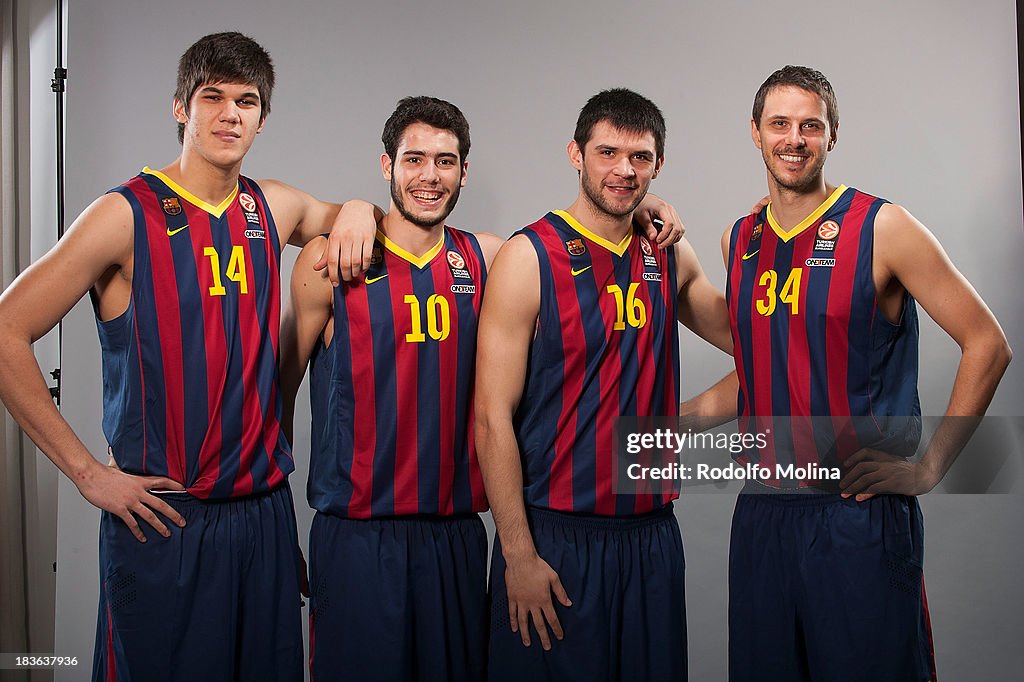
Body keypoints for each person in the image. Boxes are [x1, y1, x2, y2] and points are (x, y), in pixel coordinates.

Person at [0, 32, 379, 681]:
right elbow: (7, 329)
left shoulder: (273, 205)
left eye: (246, 101)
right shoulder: (123, 216)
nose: (230, 113)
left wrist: (362, 211)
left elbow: (341, 213)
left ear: (262, 118)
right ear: (181, 106)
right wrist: (89, 474)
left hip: (262, 515)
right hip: (166, 516)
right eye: (213, 97)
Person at [722, 65, 1012, 681]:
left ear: (833, 135)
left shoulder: (884, 227)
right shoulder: (739, 238)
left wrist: (929, 467)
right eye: (780, 124)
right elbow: (764, 358)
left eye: (811, 125)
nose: (794, 138)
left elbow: (987, 342)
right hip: (762, 514)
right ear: (755, 132)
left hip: (856, 515)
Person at [475, 88, 732, 682]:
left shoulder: (667, 252)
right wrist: (517, 555)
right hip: (554, 535)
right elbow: (491, 417)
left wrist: (679, 421)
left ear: (658, 165)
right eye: (607, 152)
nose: (623, 169)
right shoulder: (528, 256)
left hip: (651, 535)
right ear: (576, 153)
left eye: (640, 157)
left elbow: (765, 353)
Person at [279, 95, 502, 681]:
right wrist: (278, 527)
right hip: (355, 538)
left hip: (454, 535)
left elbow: (576, 245)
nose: (429, 176)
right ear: (387, 166)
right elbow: (275, 400)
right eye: (413, 159)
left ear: (463, 171)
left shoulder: (486, 258)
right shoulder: (329, 262)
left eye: (445, 161)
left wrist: (642, 203)